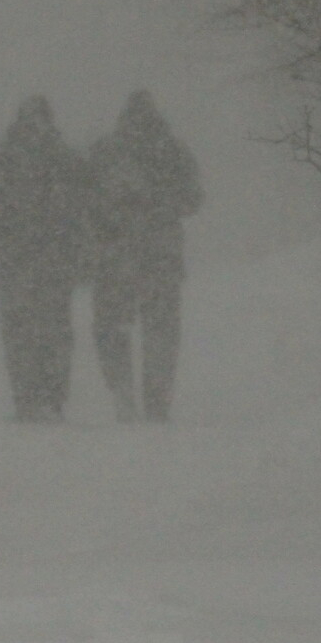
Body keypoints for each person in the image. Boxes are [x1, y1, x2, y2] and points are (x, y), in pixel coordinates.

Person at [86, 90, 202, 423]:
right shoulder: (173, 150)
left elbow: (86, 201)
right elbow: (194, 198)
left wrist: (111, 217)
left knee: (111, 327)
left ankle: (122, 389)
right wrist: (161, 206)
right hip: (159, 254)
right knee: (161, 331)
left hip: (115, 254)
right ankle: (156, 401)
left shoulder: (106, 151)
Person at [0, 96, 88, 422]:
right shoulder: (2, 159)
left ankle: (52, 397)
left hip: (52, 259)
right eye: (30, 119)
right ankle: (26, 397)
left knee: (52, 329)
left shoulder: (65, 159)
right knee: (21, 330)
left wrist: (75, 247)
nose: (34, 125)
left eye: (39, 119)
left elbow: (83, 209)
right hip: (20, 259)